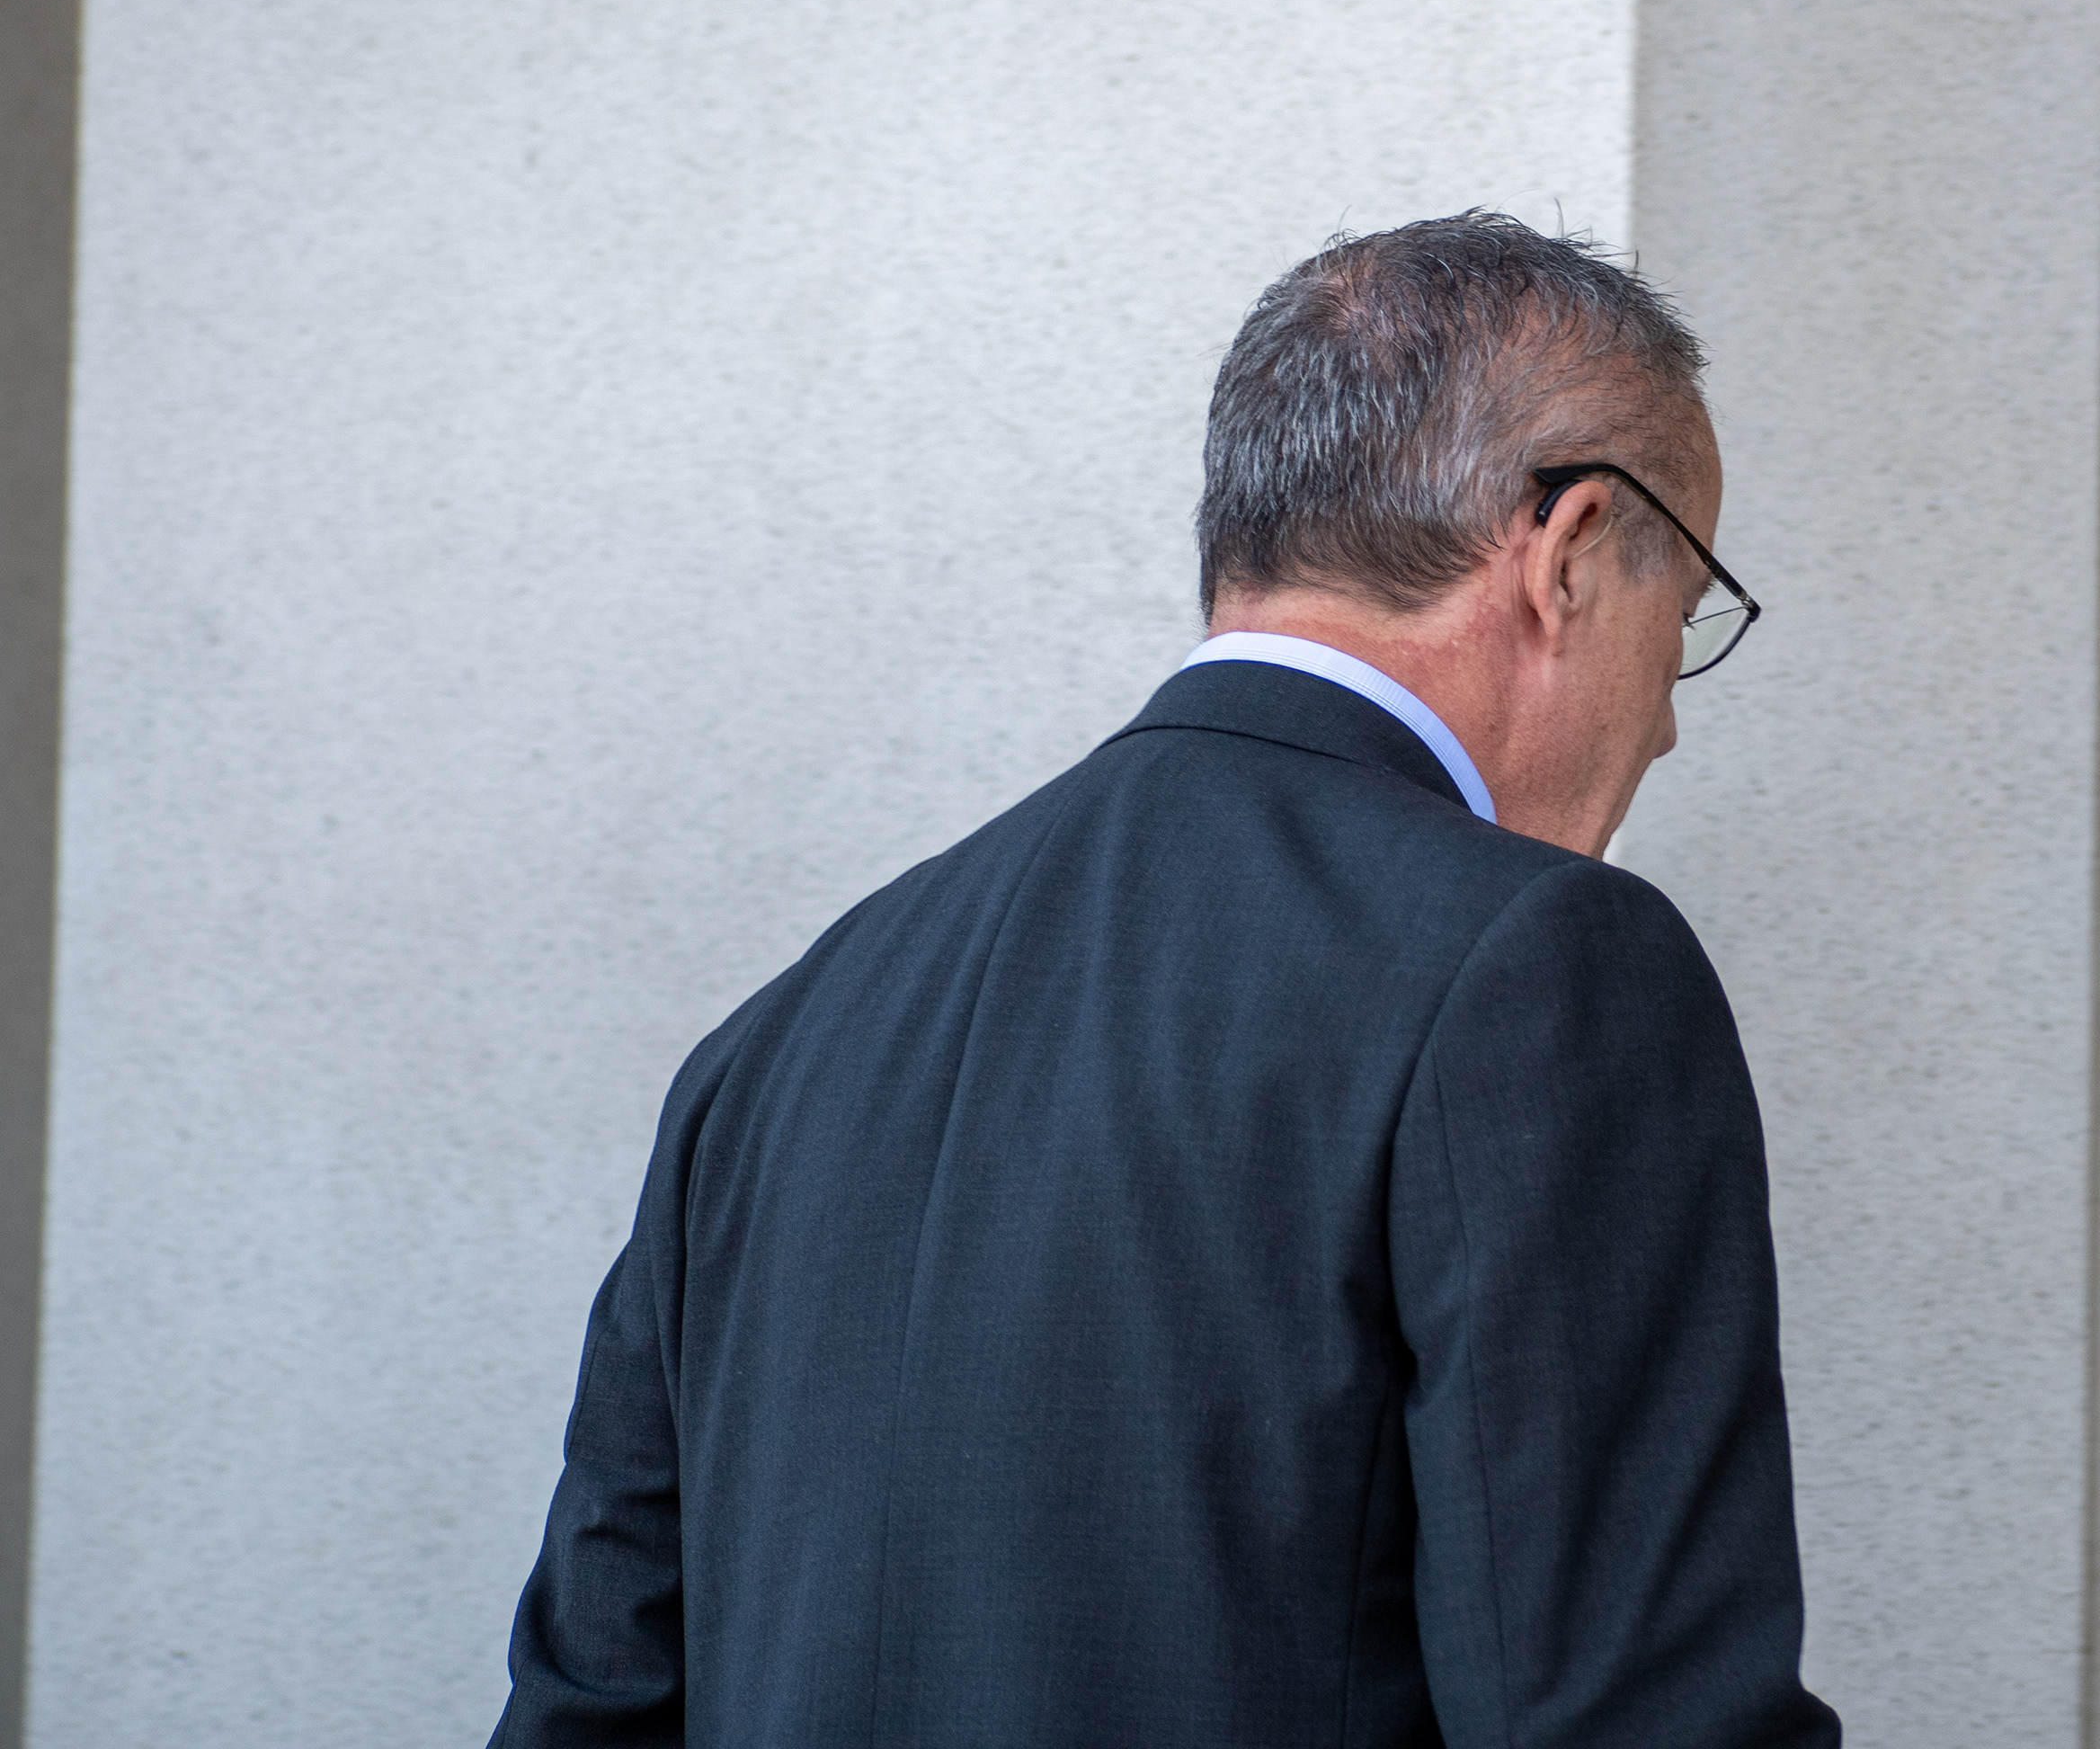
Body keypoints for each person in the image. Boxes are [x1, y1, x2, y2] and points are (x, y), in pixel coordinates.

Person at [490, 212, 1838, 1748]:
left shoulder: (783, 1043)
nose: (1664, 728)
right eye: (1685, 630)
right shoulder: (1542, 972)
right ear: (1572, 551)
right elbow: (1635, 1722)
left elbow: (584, 1713)